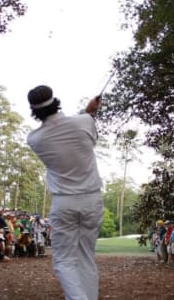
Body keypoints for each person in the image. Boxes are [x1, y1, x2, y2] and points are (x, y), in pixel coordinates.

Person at [26, 85, 104, 300]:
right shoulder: (84, 122)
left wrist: (86, 113)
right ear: (55, 101)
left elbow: (63, 131)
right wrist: (88, 112)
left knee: (64, 260)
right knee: (86, 257)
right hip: (92, 198)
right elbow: (85, 136)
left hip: (64, 202)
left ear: (34, 111)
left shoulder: (35, 139)